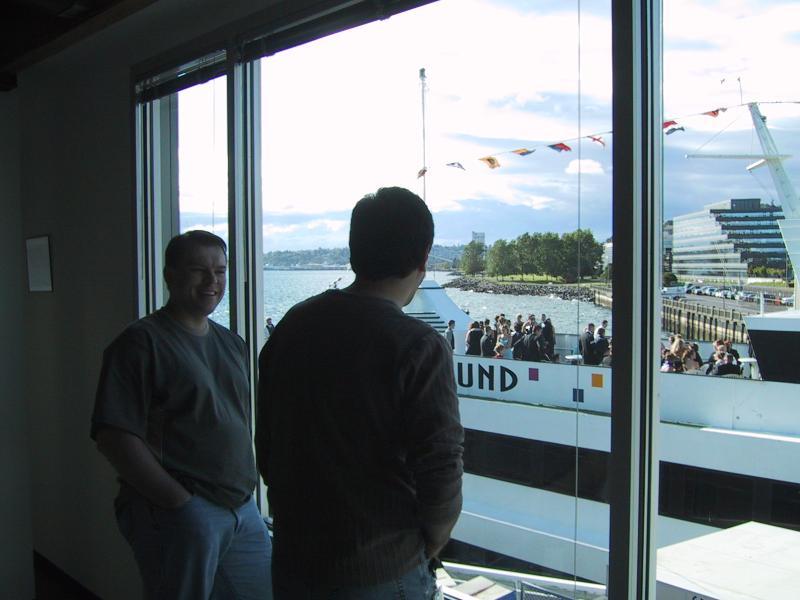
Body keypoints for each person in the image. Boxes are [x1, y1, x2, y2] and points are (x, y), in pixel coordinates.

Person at [256, 187, 463, 598]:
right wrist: (424, 547)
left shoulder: (294, 324)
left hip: (295, 560)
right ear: (423, 258)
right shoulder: (419, 346)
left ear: (354, 251)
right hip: (381, 569)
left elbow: (269, 442)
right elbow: (441, 471)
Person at [91, 231, 272, 600]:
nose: (212, 281)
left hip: (242, 508)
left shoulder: (232, 344)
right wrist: (179, 503)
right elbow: (113, 434)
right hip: (183, 512)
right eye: (198, 270)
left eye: (220, 271)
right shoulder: (141, 343)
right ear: (170, 275)